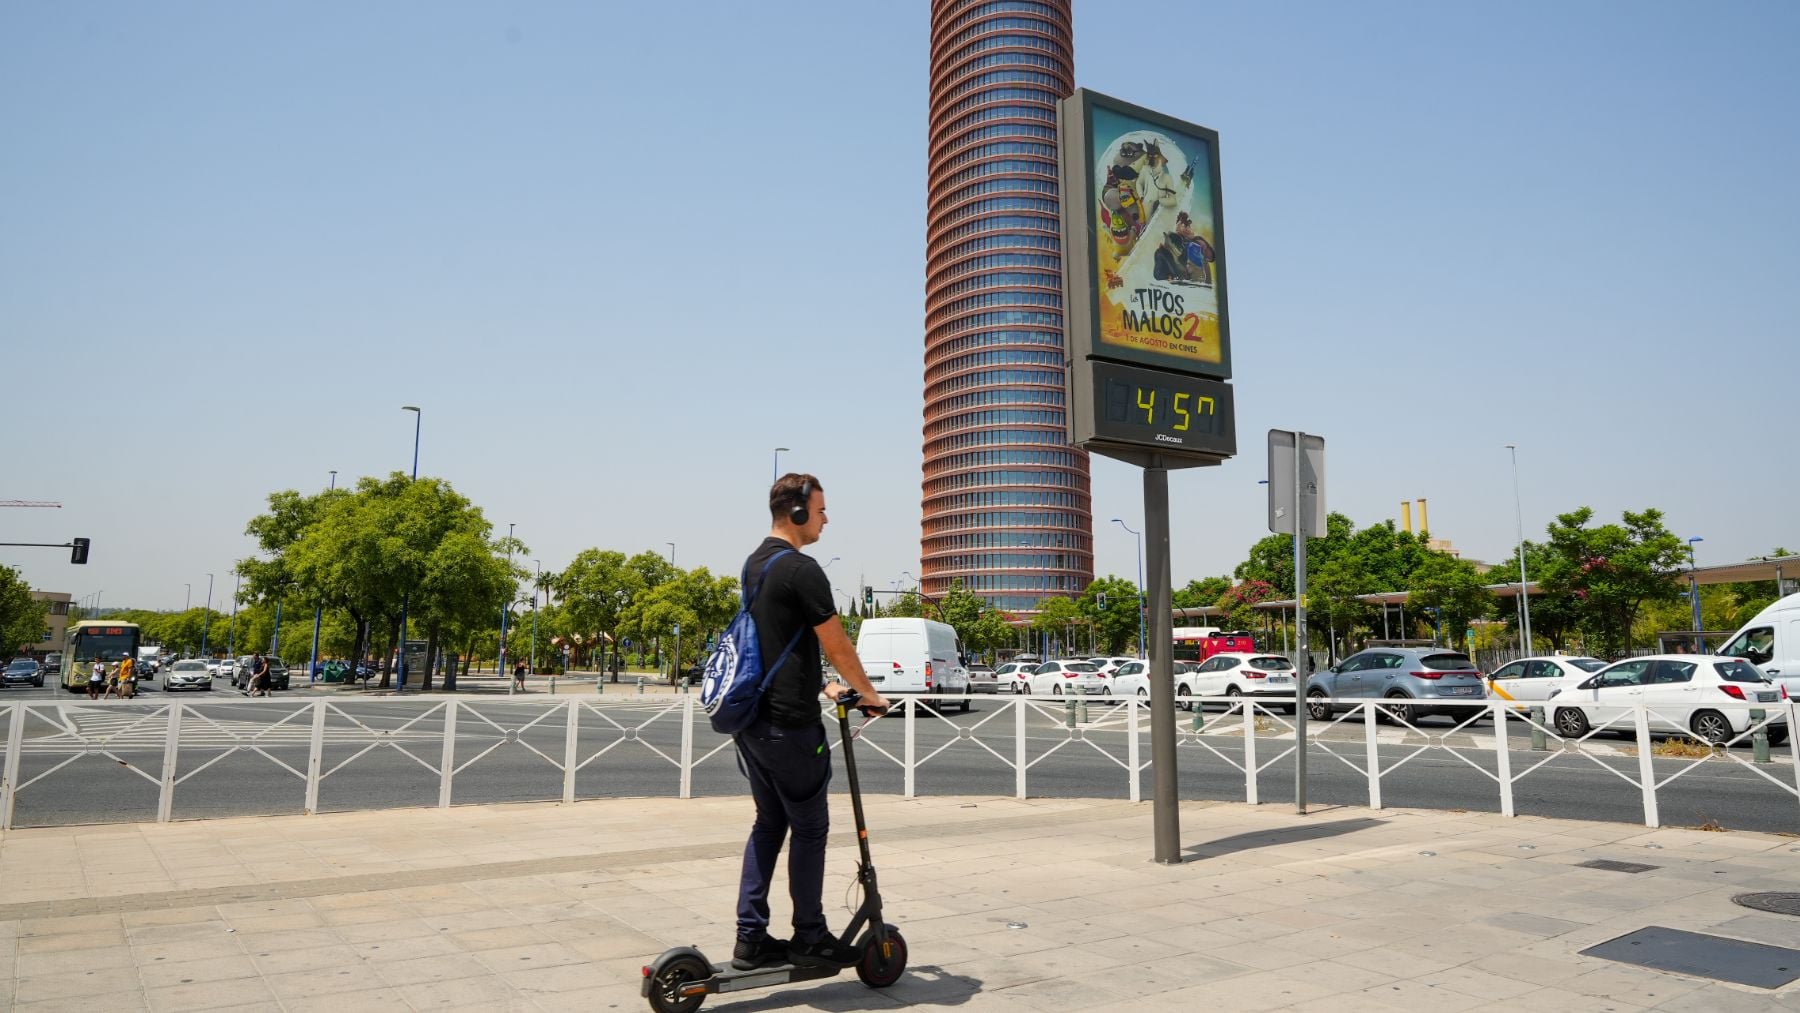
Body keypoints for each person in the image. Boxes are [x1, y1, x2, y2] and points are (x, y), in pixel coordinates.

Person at [728, 473, 889, 972]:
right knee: (811, 827)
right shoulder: (802, 568)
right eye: (820, 510)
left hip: (753, 720)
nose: (825, 518)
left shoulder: (755, 563)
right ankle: (811, 935)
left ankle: (750, 937)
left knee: (769, 823)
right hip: (790, 727)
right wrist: (868, 693)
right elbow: (835, 642)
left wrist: (822, 685)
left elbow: (777, 641)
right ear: (797, 513)